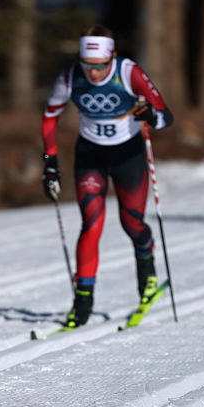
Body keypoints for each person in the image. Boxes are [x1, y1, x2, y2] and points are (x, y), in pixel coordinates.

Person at [40, 25, 173, 328]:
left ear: (111, 58)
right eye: (88, 65)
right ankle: (83, 300)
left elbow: (166, 115)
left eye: (100, 66)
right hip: (91, 155)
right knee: (91, 222)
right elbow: (50, 115)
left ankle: (147, 274)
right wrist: (50, 162)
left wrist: (151, 115)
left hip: (128, 154)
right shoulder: (70, 77)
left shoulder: (129, 72)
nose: (94, 73)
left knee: (132, 222)